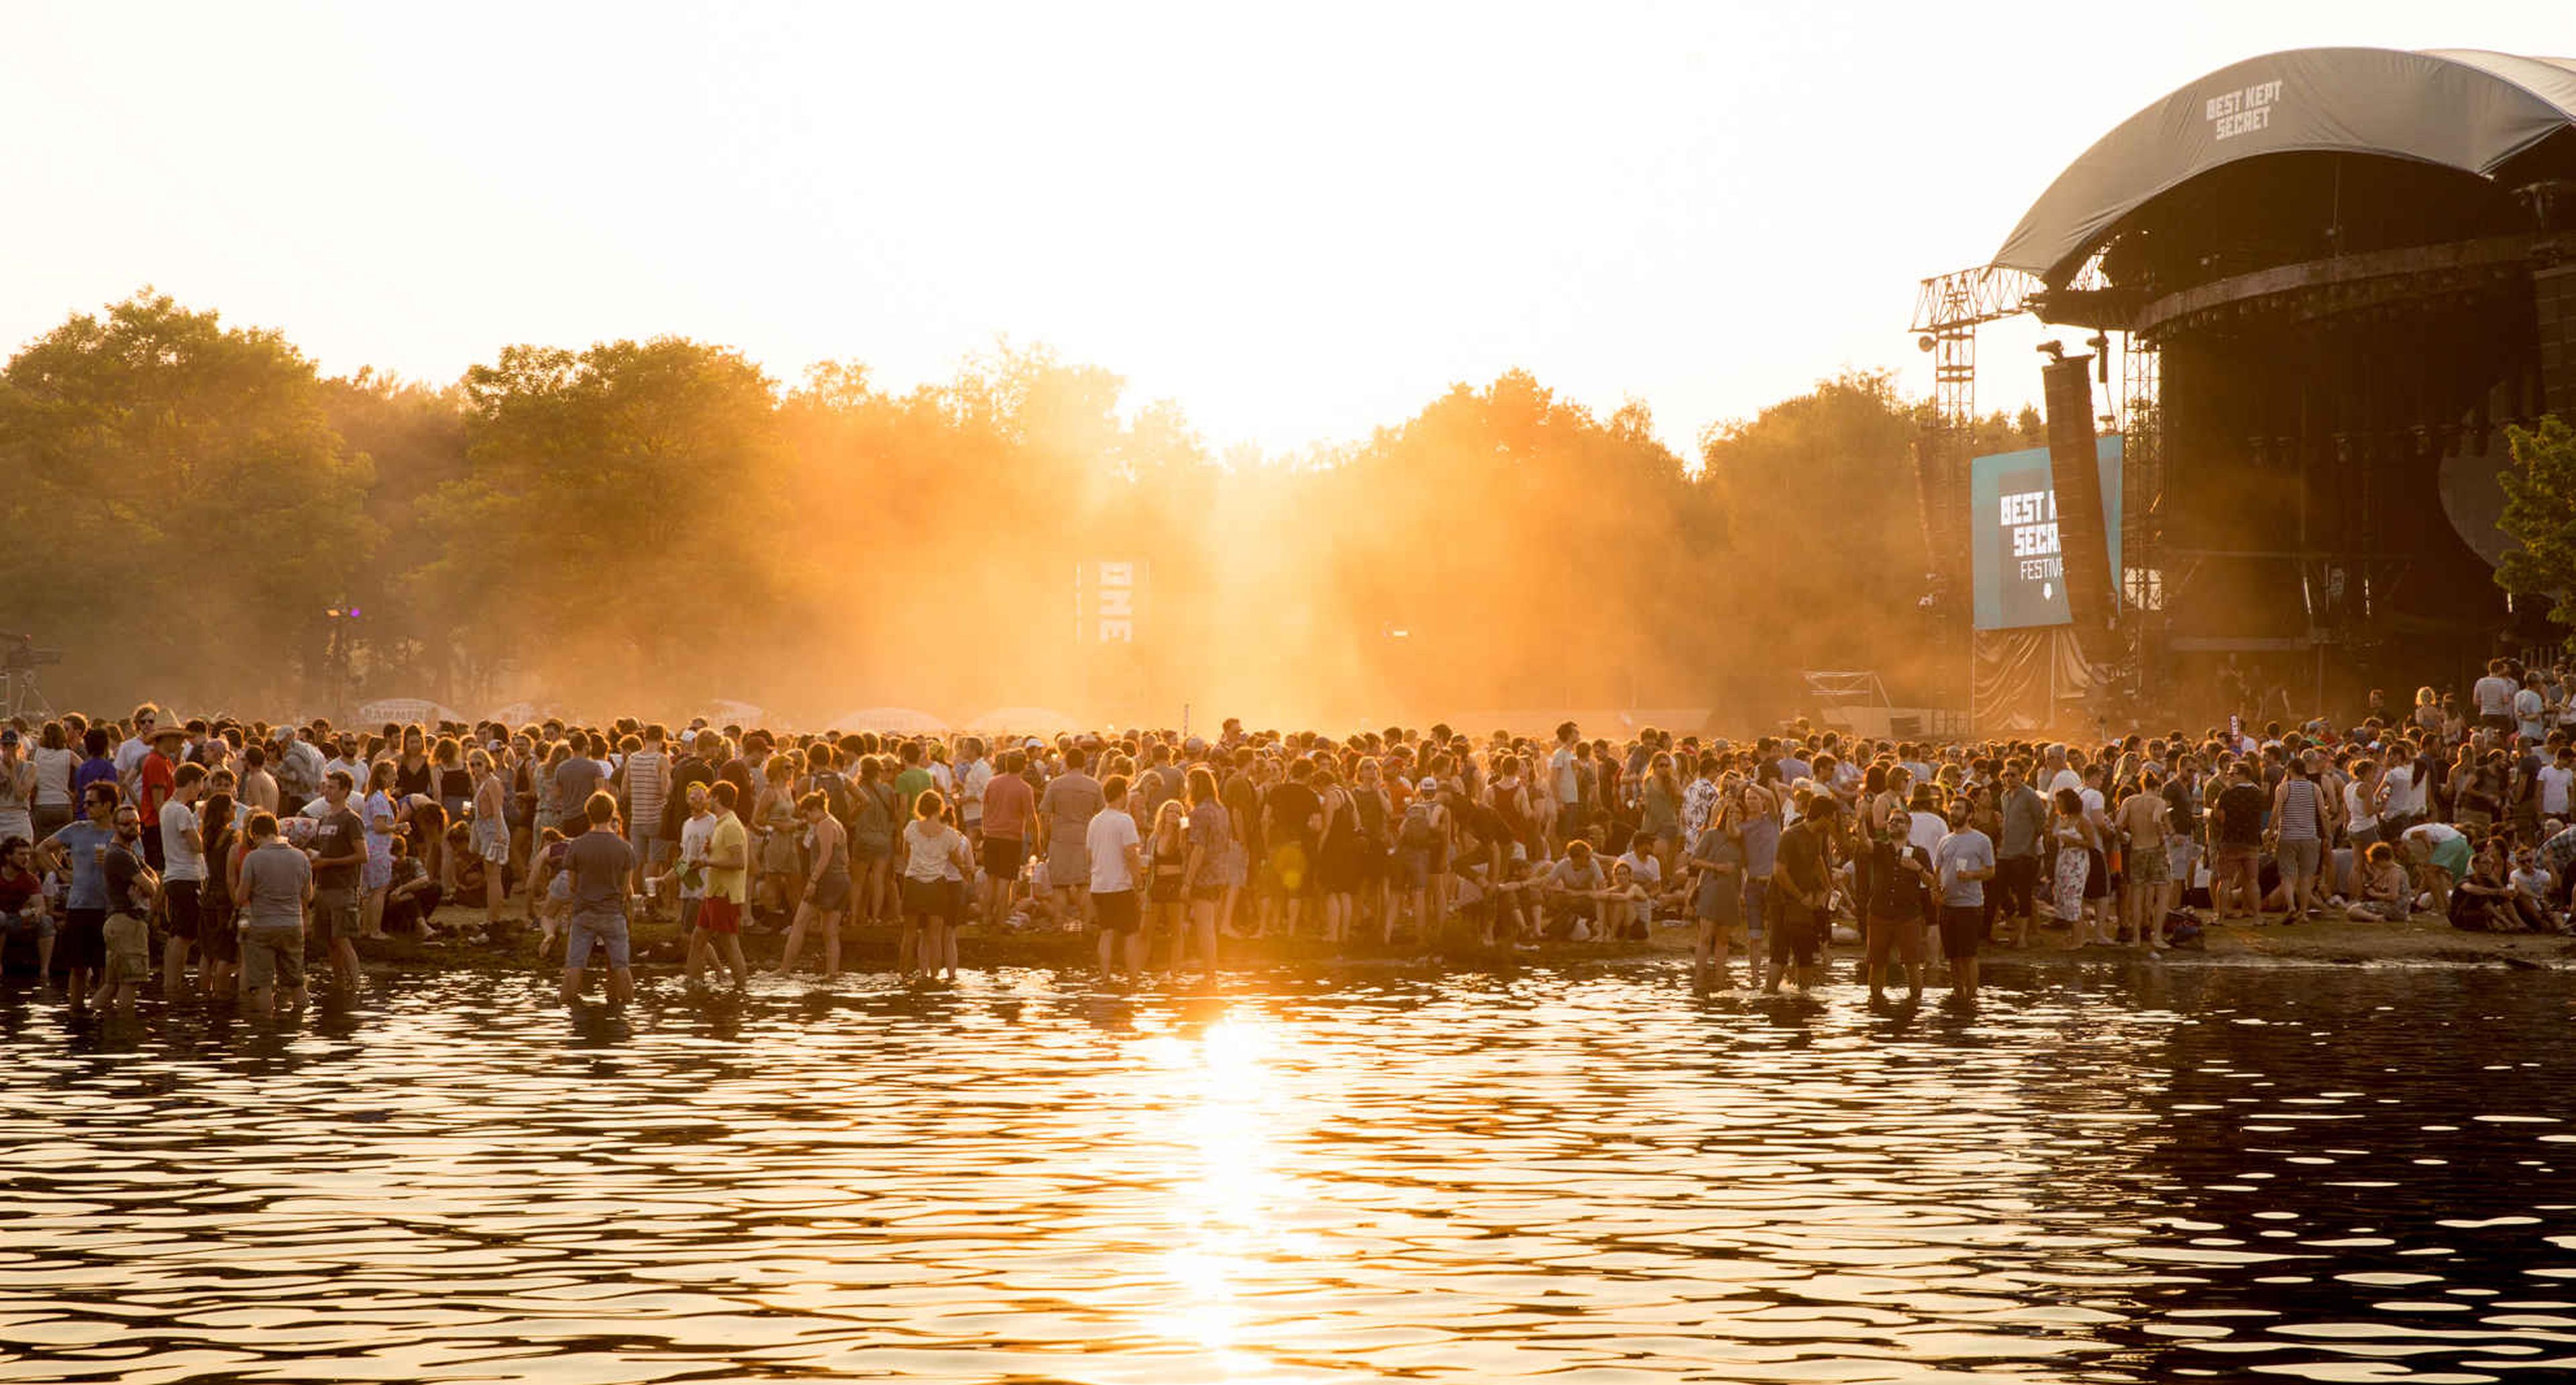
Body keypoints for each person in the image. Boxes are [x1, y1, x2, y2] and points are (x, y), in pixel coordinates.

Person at [39, 781, 123, 1011]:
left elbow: (140, 866)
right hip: (79, 906)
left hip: (109, 908)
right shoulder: (77, 829)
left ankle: (103, 1012)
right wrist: (61, 872)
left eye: (91, 803)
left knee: (106, 968)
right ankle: (76, 1015)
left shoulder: (119, 834)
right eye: (84, 802)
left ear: (108, 805)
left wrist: (114, 862)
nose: (86, 806)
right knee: (77, 967)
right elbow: (42, 848)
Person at [559, 790, 636, 1006]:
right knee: (622, 966)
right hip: (613, 914)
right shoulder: (625, 848)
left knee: (575, 965)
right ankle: (629, 1010)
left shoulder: (577, 845)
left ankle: (565, 1009)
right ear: (612, 814)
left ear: (588, 814)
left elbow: (572, 885)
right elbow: (625, 889)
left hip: (584, 913)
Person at [230, 811, 311, 1015]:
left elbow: (241, 897)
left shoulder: (253, 859)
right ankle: (298, 1027)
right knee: (297, 983)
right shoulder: (301, 857)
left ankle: (265, 1033)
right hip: (293, 925)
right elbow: (308, 895)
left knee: (264, 986)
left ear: (255, 835)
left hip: (262, 926)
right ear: (276, 831)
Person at [773, 789, 852, 979]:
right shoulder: (837, 824)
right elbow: (846, 858)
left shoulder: (824, 825)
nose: (806, 819)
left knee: (799, 924)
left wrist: (813, 881)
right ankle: (832, 973)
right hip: (841, 880)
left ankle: (784, 970)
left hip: (826, 880)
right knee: (830, 932)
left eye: (807, 814)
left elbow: (825, 857)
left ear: (815, 809)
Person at [896, 788, 971, 981]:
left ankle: (903, 974)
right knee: (935, 937)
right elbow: (957, 861)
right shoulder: (950, 835)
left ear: (920, 808)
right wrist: (966, 870)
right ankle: (935, 978)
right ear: (939, 808)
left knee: (909, 934)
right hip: (936, 885)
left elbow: (906, 854)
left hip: (913, 882)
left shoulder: (912, 828)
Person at [1766, 794, 1839, 993]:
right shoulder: (1790, 836)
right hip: (1782, 901)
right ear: (1823, 816)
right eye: (1831, 817)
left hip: (1805, 902)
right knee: (1780, 952)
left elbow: (1817, 860)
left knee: (1806, 951)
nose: (1833, 822)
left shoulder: (1818, 835)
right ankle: (1770, 995)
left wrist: (1828, 886)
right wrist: (1800, 897)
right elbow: (1779, 872)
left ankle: (1804, 997)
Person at [686, 781, 752, 989]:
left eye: (706, 795)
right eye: (695, 796)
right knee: (697, 938)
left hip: (725, 893)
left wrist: (707, 861)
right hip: (710, 891)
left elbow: (739, 862)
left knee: (728, 942)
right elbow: (683, 859)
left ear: (716, 798)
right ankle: (694, 984)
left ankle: (741, 989)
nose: (703, 800)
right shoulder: (709, 824)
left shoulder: (730, 824)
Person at [1864, 808, 1933, 1003]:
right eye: (1892, 821)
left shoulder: (1920, 852)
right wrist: (1861, 822)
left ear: (1909, 827)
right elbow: (1864, 843)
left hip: (1908, 914)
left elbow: (1932, 882)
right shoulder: (1880, 848)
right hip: (1880, 912)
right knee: (1877, 962)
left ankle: (1916, 1003)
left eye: (1900, 821)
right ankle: (1875, 1002)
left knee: (1912, 963)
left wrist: (1917, 868)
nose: (1894, 824)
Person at [93, 802, 157, 1012]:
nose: (133, 827)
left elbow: (153, 877)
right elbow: (152, 887)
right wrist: (148, 884)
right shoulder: (120, 855)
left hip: (117, 923)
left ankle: (94, 1022)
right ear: (114, 826)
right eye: (126, 823)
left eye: (137, 823)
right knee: (130, 982)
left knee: (112, 984)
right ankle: (125, 1032)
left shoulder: (129, 853)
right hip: (126, 923)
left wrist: (149, 882)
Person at [1933, 802, 1996, 1001]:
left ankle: (1971, 998)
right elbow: (1938, 871)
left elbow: (1991, 871)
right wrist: (1937, 892)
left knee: (1968, 955)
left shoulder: (1981, 840)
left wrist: (1971, 874)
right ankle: (1957, 994)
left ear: (1970, 814)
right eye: (1951, 809)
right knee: (1952, 956)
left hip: (1970, 905)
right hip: (1948, 905)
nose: (1953, 812)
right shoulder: (1945, 840)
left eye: (1958, 809)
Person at [1038, 747, 1104, 928]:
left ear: (1066, 762)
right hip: (1085, 838)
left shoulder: (1055, 785)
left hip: (1059, 838)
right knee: (1084, 883)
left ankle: (1059, 921)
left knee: (1060, 885)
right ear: (1084, 763)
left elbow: (1044, 815)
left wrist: (1045, 839)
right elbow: (1101, 814)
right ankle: (1086, 923)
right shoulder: (1094, 785)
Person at [1087, 773, 1146, 978]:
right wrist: (1139, 886)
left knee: (1107, 933)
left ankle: (1104, 977)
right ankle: (1133, 979)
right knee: (1132, 934)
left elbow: (1089, 855)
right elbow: (1131, 854)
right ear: (1122, 795)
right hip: (1121, 886)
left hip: (1099, 885)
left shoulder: (1095, 821)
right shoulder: (1124, 820)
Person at [158, 762, 208, 996]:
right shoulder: (181, 811)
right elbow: (197, 845)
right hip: (186, 877)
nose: (201, 790)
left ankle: (170, 983)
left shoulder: (167, 808)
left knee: (177, 933)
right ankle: (173, 984)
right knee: (185, 935)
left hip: (173, 875)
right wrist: (202, 822)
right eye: (200, 785)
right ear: (191, 783)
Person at [1685, 795, 1745, 989]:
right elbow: (1694, 860)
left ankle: (1720, 979)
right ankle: (1699, 978)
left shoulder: (1744, 840)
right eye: (1731, 812)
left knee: (1723, 939)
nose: (1734, 816)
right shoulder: (1711, 835)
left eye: (1738, 813)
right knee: (1705, 936)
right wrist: (1716, 867)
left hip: (1731, 892)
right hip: (1711, 887)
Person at [1180, 767, 1233, 975]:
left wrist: (1187, 881)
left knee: (1205, 927)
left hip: (1203, 875)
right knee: (1210, 925)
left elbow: (1198, 849)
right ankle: (1210, 969)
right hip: (1220, 871)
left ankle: (1209, 973)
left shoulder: (1199, 812)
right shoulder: (1222, 810)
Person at [2048, 787, 2098, 947]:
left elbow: (2092, 843)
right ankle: (2075, 936)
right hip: (2063, 861)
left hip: (2077, 862)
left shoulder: (2083, 821)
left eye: (2060, 802)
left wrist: (2074, 841)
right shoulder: (2064, 819)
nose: (2058, 805)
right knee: (2063, 897)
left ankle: (2079, 940)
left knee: (2073, 899)